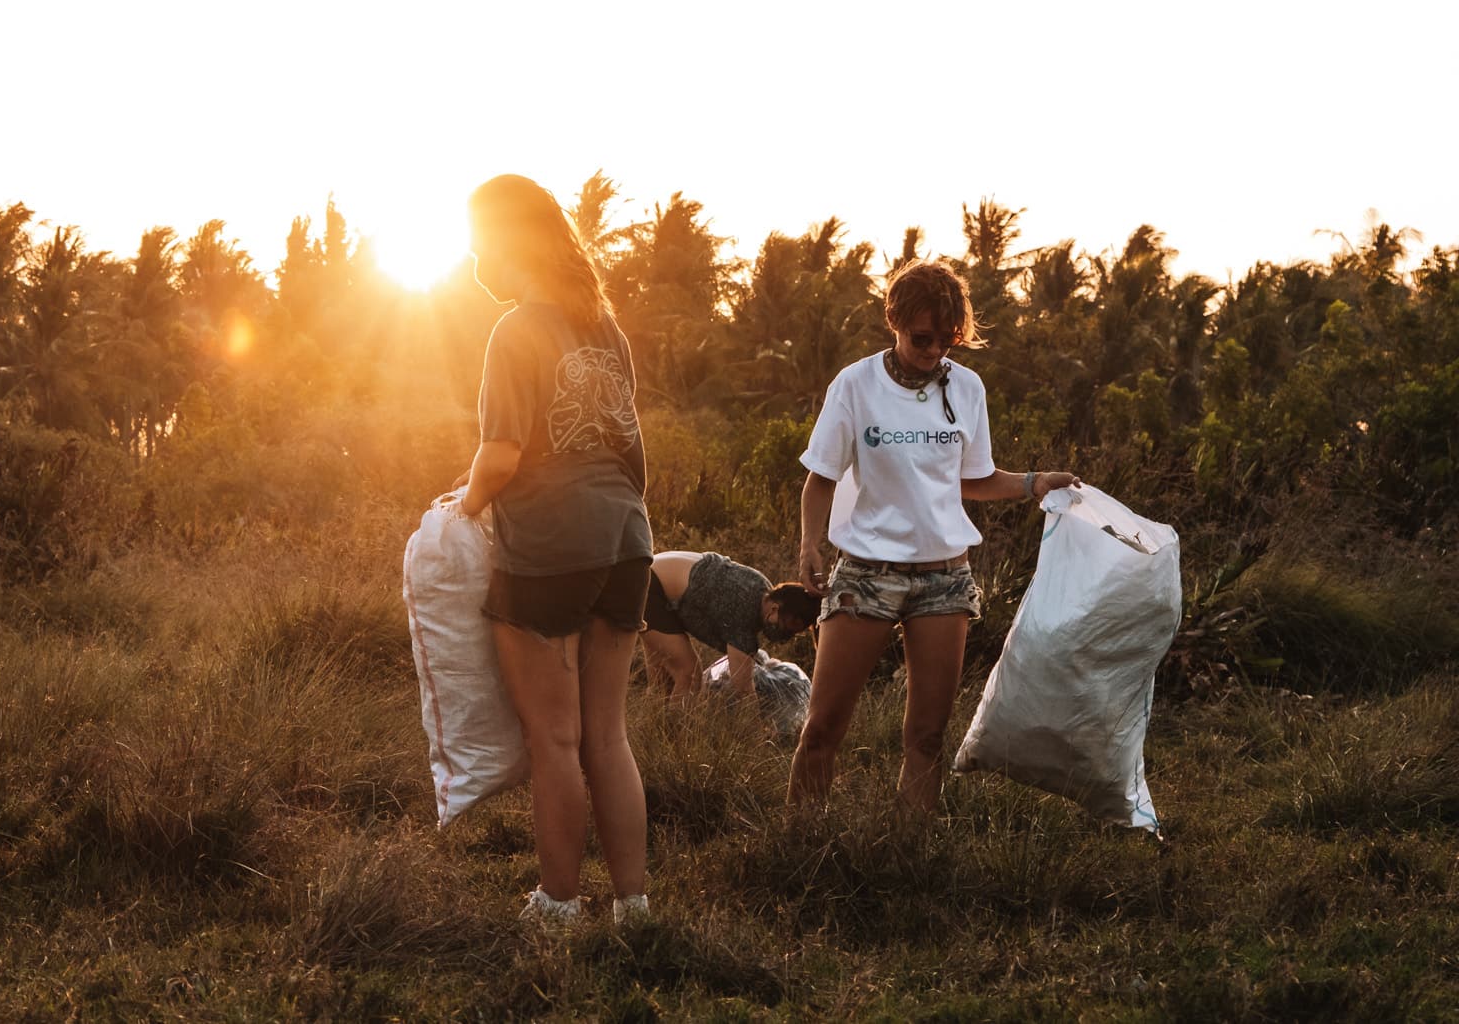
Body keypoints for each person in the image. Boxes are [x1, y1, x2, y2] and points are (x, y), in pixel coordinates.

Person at [788, 261, 1079, 815]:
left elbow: (973, 479)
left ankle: (910, 857)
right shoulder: (855, 384)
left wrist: (1034, 483)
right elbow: (820, 477)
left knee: (927, 737)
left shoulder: (966, 388)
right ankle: (799, 844)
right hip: (867, 573)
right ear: (894, 320)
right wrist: (809, 544)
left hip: (945, 578)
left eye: (947, 341)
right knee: (823, 726)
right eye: (922, 339)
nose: (934, 352)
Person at [456, 174, 654, 929]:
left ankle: (559, 903)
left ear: (511, 244)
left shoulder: (514, 330)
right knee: (608, 732)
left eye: (481, 244)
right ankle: (633, 903)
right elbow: (633, 449)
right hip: (626, 538)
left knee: (555, 737)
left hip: (549, 543)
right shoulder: (605, 326)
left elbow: (500, 457)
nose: (475, 261)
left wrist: (462, 506)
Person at [639, 550, 817, 702]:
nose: (786, 636)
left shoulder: (762, 588)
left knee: (661, 685)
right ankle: (675, 736)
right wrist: (758, 737)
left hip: (651, 574)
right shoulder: (744, 613)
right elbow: (744, 690)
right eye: (787, 627)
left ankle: (652, 732)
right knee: (689, 673)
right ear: (774, 609)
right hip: (651, 588)